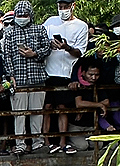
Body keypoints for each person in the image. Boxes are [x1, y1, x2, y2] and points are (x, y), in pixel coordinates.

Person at [3, 0, 51, 154]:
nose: (22, 17)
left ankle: (38, 142)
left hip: (37, 78)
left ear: (30, 15)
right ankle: (20, 144)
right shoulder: (9, 32)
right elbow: (7, 56)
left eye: (25, 15)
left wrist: (34, 54)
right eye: (19, 15)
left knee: (37, 113)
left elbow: (47, 48)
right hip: (19, 80)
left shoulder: (39, 29)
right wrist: (10, 76)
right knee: (19, 115)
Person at [42, 0, 88, 154]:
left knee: (63, 108)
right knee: (47, 107)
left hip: (67, 73)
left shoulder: (81, 26)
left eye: (65, 7)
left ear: (73, 6)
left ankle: (62, 142)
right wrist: (50, 44)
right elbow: (41, 42)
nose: (62, 10)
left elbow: (80, 52)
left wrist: (67, 47)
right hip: (48, 72)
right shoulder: (50, 22)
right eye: (60, 7)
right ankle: (46, 142)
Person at [67, 58, 113, 150]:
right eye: (90, 74)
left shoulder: (98, 86)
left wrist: (90, 104)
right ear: (83, 73)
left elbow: (106, 102)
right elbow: (79, 104)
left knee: (98, 145)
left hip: (91, 126)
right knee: (82, 146)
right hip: (76, 126)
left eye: (96, 75)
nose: (93, 78)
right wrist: (99, 105)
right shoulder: (77, 86)